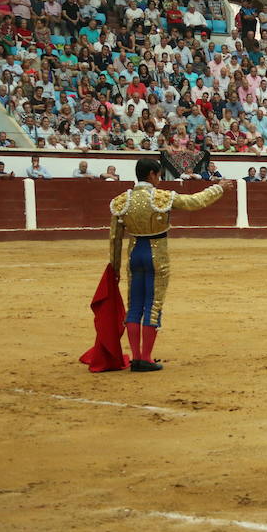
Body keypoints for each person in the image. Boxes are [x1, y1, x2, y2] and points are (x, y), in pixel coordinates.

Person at [109, 159, 234, 372]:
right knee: (153, 305)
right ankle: (146, 358)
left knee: (135, 305)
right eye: (158, 175)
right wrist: (218, 188)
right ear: (151, 175)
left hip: (134, 254)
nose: (159, 179)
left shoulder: (122, 201)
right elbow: (194, 202)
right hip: (156, 254)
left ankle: (136, 357)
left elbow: (115, 238)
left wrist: (115, 268)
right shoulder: (161, 197)